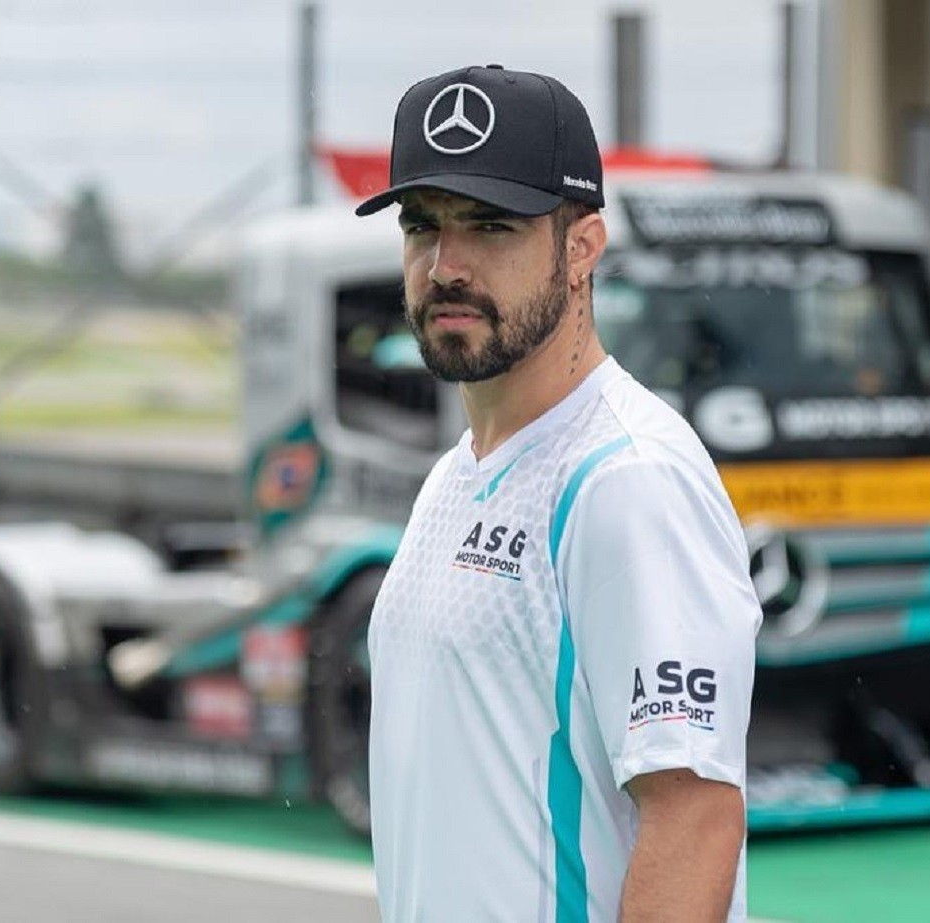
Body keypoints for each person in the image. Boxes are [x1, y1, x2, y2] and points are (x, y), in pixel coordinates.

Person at [357, 64, 761, 923]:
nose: (445, 265)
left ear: (582, 247)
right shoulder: (456, 474)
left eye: (491, 226)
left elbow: (692, 816)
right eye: (421, 225)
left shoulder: (628, 479)